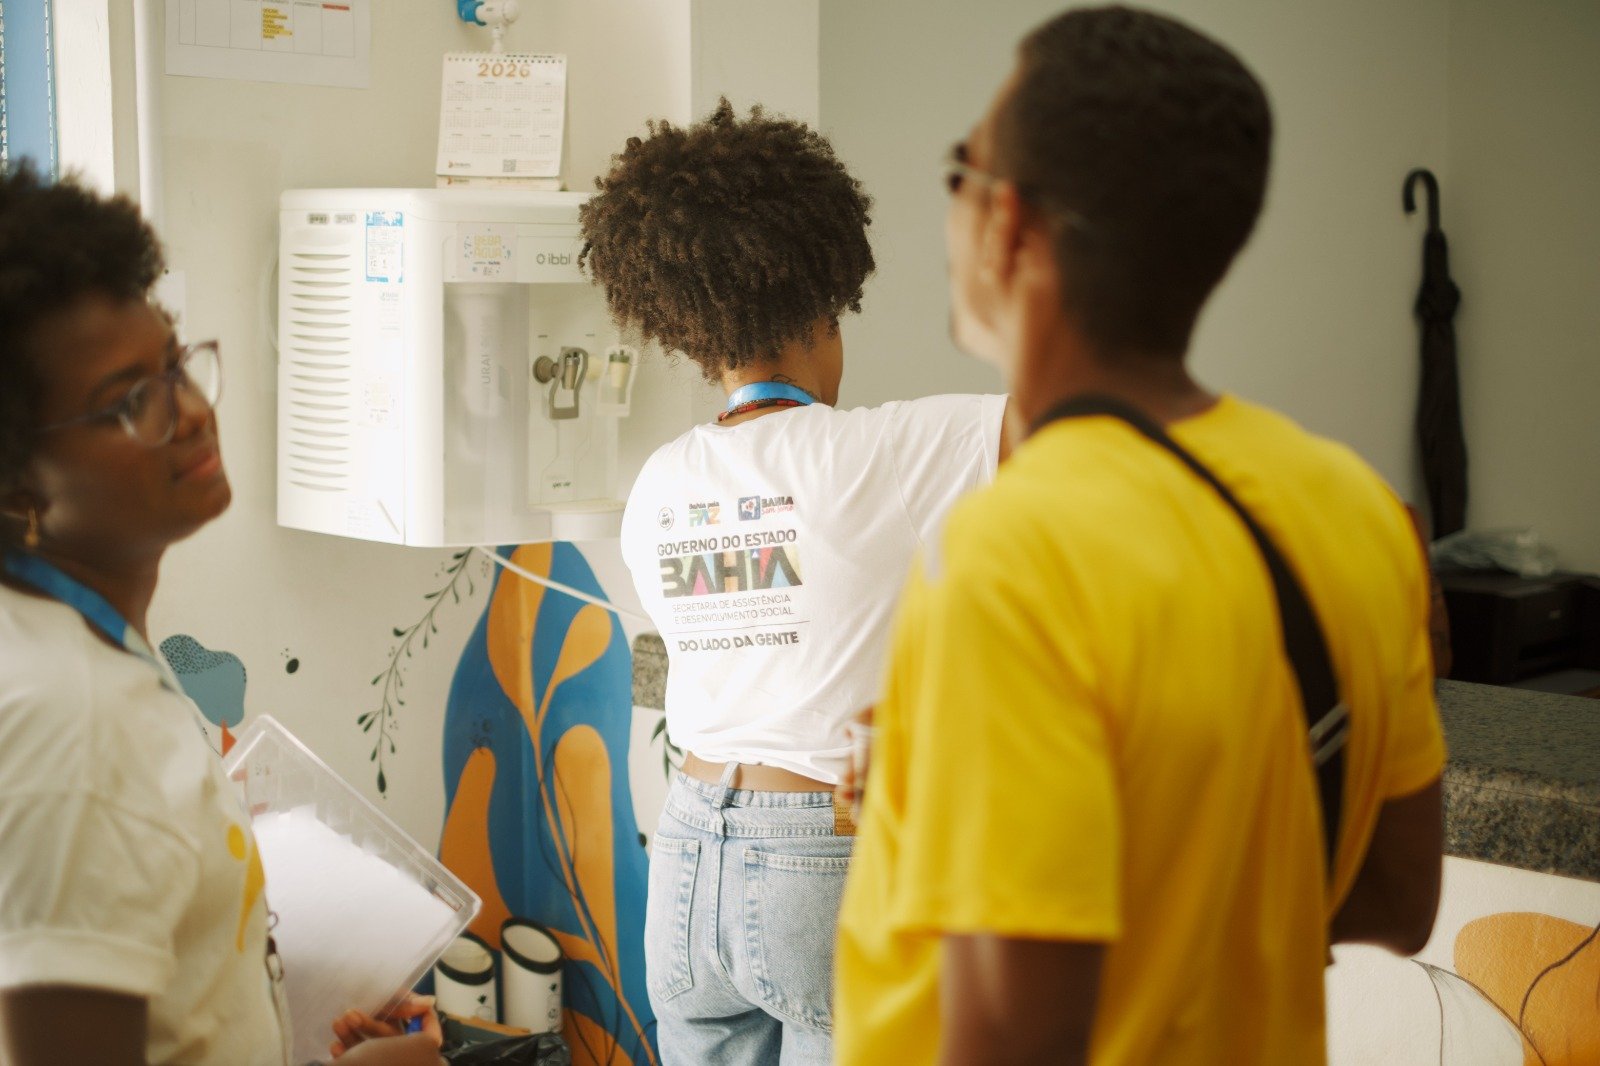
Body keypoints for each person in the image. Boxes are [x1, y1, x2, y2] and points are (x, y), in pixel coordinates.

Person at [834, 8, 1446, 1065]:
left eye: (957, 170)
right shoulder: (1357, 508)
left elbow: (1013, 1044)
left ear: (1009, 225)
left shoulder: (1016, 554)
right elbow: (1397, 897)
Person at [579, 101, 1008, 1064]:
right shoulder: (877, 454)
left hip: (689, 852)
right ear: (822, 299)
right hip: (827, 854)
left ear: (690, 329)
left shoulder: (660, 486)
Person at [0, 164, 442, 1066]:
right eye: (132, 402)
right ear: (16, 482)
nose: (192, 414)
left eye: (175, 365)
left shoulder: (71, 647)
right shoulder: (75, 724)